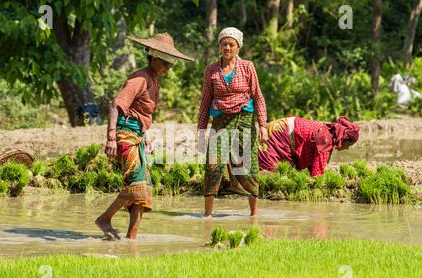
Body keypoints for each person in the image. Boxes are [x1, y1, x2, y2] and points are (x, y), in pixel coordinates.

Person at [95, 33, 194, 240]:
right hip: (125, 135)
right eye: (165, 63)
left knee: (143, 192)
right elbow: (115, 105)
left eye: (171, 64)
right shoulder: (139, 78)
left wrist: (145, 135)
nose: (168, 68)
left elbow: (142, 113)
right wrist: (111, 137)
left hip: (137, 136)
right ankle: (104, 219)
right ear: (154, 58)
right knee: (137, 186)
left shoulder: (153, 80)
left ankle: (132, 239)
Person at [197, 27, 268, 218]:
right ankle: (208, 215)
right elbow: (205, 100)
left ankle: (253, 215)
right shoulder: (211, 70)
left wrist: (263, 126)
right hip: (220, 123)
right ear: (219, 46)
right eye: (224, 44)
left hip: (244, 121)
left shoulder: (247, 67)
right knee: (213, 165)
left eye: (231, 44)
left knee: (247, 168)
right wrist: (201, 131)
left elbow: (258, 97)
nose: (227, 47)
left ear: (238, 47)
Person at [258, 116, 360, 177]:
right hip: (279, 133)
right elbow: (317, 174)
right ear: (344, 139)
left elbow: (313, 163)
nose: (347, 148)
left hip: (282, 128)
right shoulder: (326, 141)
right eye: (349, 145)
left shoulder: (327, 134)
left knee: (286, 172)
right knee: (270, 173)